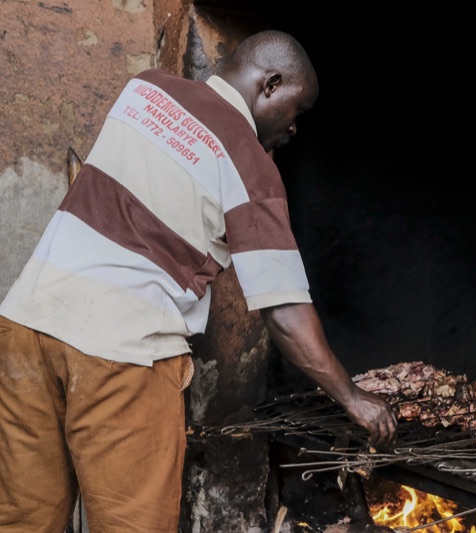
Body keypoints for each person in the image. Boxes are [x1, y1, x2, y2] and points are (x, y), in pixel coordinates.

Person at [0, 30, 397, 532]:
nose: (294, 130)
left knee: (22, 520)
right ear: (270, 85)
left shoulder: (143, 90)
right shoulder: (251, 168)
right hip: (121, 355)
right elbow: (284, 313)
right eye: (298, 111)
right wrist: (352, 397)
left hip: (25, 327)